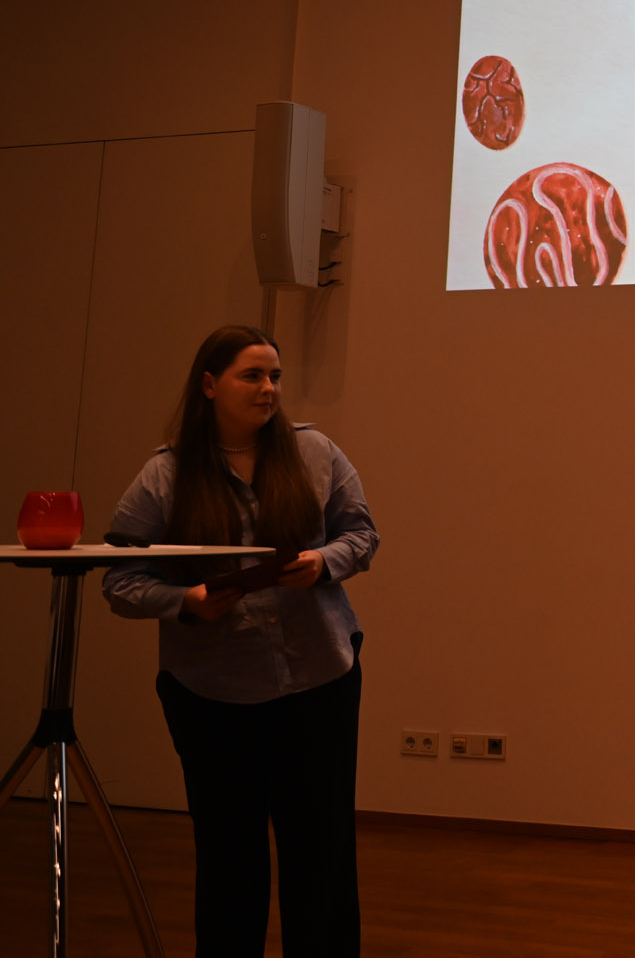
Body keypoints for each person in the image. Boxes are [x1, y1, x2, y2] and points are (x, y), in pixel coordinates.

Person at [104, 325, 379, 957]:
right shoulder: (165, 473)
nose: (268, 389)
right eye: (252, 375)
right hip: (212, 695)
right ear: (210, 385)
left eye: (275, 376)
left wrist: (324, 562)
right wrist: (185, 602)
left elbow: (362, 535)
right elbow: (119, 581)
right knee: (229, 856)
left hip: (319, 682)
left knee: (322, 854)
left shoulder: (315, 452)